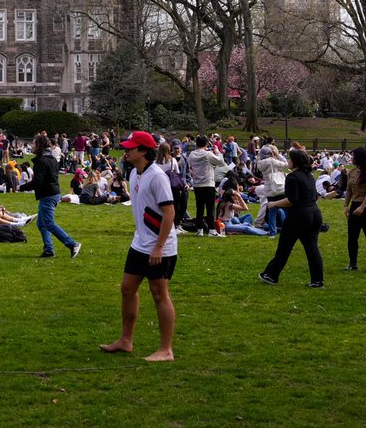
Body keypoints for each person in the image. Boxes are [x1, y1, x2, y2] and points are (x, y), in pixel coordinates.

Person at [99, 130, 177, 362]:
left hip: (160, 246)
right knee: (127, 289)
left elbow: (169, 213)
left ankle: (166, 350)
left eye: (131, 148)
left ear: (143, 151)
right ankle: (125, 341)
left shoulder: (157, 176)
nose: (126, 151)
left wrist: (158, 247)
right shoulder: (135, 173)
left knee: (159, 294)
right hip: (140, 243)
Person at [259, 149, 325, 288]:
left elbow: (291, 200)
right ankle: (317, 280)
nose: (287, 161)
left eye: (289, 159)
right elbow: (315, 197)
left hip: (298, 216)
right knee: (312, 247)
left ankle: (271, 275)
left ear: (295, 162)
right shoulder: (309, 176)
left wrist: (273, 204)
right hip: (314, 213)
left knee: (284, 247)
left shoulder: (292, 177)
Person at [30, 134, 82, 258]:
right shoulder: (51, 158)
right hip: (53, 193)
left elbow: (38, 181)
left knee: (48, 223)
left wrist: (20, 187)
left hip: (48, 194)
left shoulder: (41, 160)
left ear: (39, 145)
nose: (32, 146)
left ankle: (72, 244)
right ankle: (48, 250)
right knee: (41, 224)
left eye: (33, 143)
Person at [186, 135, 225, 236]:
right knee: (210, 207)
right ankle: (211, 229)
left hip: (197, 184)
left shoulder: (191, 155)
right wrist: (217, 151)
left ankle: (200, 229)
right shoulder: (208, 154)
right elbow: (221, 162)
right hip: (208, 183)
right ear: (207, 143)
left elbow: (190, 166)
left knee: (199, 207)